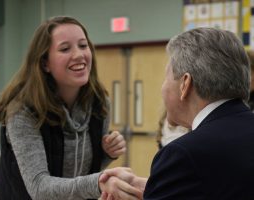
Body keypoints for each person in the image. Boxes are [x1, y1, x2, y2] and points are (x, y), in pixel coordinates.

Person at [100, 27, 254, 200]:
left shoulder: (183, 154)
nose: (163, 87)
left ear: (185, 84)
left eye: (166, 77)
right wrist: (155, 186)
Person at [0, 16, 132, 200]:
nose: (79, 55)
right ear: (45, 63)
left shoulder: (99, 102)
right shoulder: (22, 111)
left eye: (83, 45)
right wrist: (99, 183)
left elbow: (81, 172)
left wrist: (106, 154)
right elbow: (39, 187)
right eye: (65, 48)